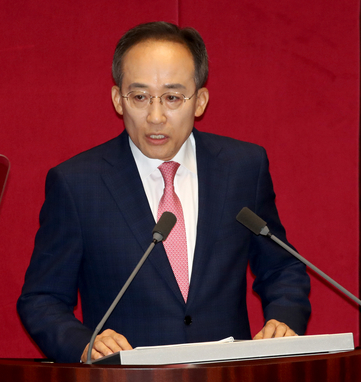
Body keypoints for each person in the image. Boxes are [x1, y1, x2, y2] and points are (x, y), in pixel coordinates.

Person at [17, 21, 311, 363]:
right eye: (140, 97)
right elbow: (42, 298)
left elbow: (281, 267)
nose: (155, 116)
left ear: (199, 101)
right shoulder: (78, 183)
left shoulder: (242, 168)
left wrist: (283, 320)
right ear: (118, 99)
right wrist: (84, 343)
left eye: (172, 97)